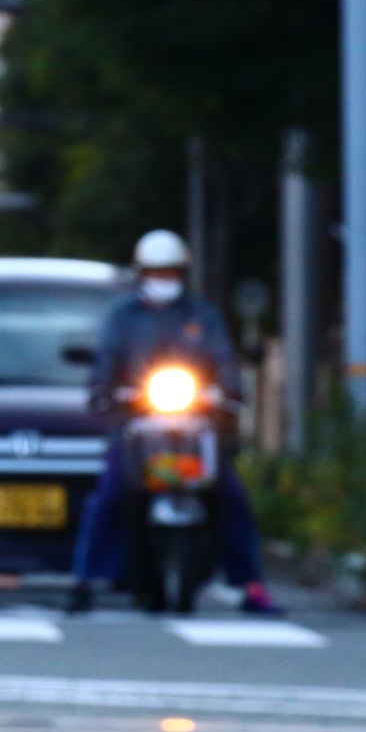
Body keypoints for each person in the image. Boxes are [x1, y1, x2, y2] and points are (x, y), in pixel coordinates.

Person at [65, 230, 281, 616]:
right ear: (141, 273)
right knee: (109, 495)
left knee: (231, 497)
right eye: (155, 272)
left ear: (183, 273)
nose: (163, 279)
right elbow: (104, 366)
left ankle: (253, 587)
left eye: (170, 272)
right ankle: (84, 581)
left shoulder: (203, 317)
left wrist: (230, 392)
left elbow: (224, 362)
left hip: (196, 430)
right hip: (138, 429)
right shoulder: (122, 319)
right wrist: (105, 392)